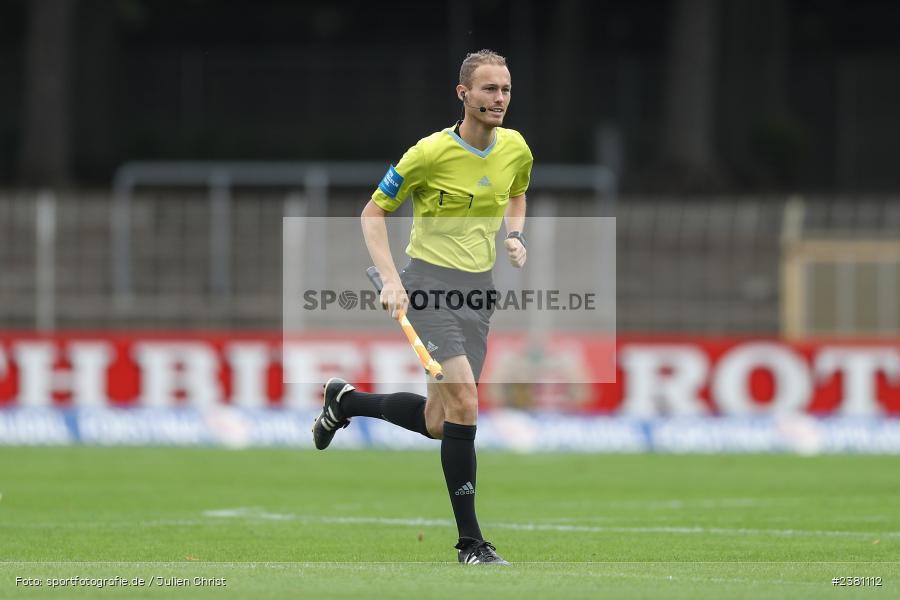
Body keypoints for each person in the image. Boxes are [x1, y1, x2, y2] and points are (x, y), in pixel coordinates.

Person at [313, 49, 532, 565]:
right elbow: (372, 213)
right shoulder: (428, 154)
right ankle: (471, 544)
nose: (499, 98)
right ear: (464, 94)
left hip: (479, 292)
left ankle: (344, 402)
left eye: (504, 89)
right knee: (467, 407)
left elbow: (518, 193)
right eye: (488, 89)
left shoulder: (516, 148)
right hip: (428, 287)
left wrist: (515, 233)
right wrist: (392, 280)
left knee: (440, 420)